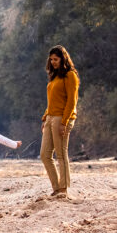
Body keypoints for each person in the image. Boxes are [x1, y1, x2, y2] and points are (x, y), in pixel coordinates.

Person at [40, 45, 79, 198]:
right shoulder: (55, 77)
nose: (53, 62)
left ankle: (63, 189)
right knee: (44, 154)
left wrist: (64, 122)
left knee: (61, 154)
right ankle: (56, 188)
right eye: (51, 60)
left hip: (62, 118)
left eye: (56, 59)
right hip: (50, 117)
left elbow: (71, 101)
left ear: (63, 59)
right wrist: (45, 118)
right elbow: (52, 101)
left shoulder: (70, 75)